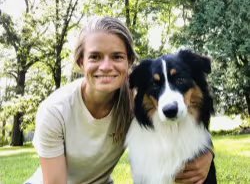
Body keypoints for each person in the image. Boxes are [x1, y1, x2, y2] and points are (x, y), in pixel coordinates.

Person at [25, 16, 213, 184]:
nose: (106, 66)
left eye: (117, 56)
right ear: (81, 62)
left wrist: (207, 154)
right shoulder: (55, 110)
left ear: (128, 62)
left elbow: (192, 124)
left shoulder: (134, 101)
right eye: (95, 57)